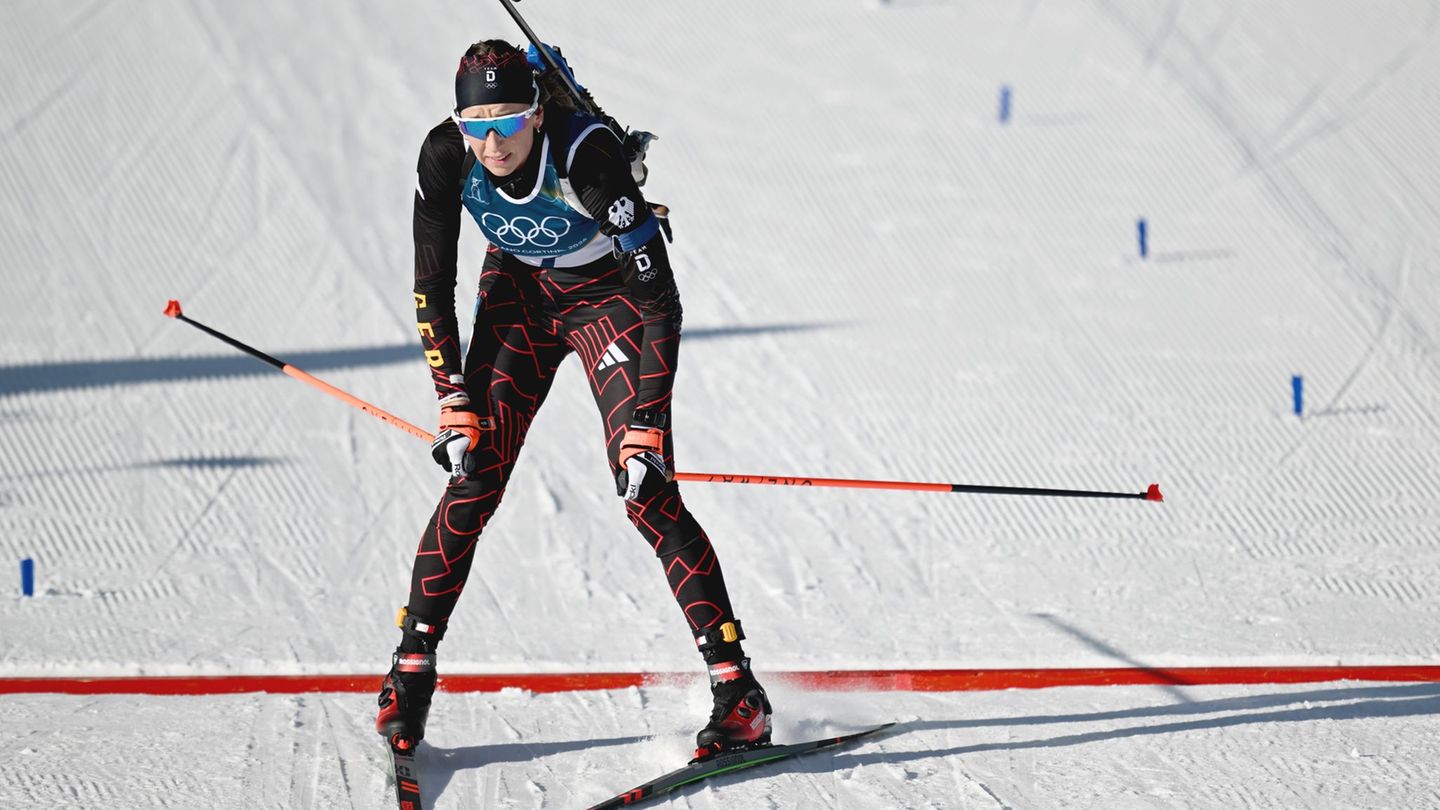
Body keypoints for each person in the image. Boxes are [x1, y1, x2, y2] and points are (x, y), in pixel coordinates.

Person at [374, 39, 771, 761]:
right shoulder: (445, 155)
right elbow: (432, 284)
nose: (491, 142)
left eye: (506, 122)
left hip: (608, 301)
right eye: (476, 124)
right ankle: (409, 676)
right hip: (520, 297)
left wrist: (645, 424)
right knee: (474, 477)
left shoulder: (586, 155)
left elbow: (661, 300)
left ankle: (737, 691)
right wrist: (451, 395)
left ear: (535, 111)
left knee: (645, 489)